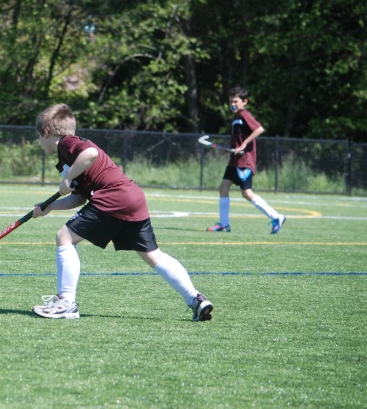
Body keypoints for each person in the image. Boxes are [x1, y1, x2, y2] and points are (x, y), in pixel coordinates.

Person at [30, 103, 213, 321]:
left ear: (47, 133)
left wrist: (67, 179)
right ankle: (196, 299)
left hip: (113, 198)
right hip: (131, 197)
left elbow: (91, 153)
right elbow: (79, 197)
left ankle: (66, 303)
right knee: (153, 256)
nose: (39, 142)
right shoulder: (69, 155)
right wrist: (48, 207)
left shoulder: (67, 144)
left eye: (39, 136)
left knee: (64, 237)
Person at [206, 87, 286, 235]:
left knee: (247, 193)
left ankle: (276, 217)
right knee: (223, 189)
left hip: (244, 161)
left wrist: (243, 145)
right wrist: (230, 148)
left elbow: (259, 129)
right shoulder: (236, 117)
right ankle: (224, 224)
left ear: (244, 102)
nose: (232, 104)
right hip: (234, 160)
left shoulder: (244, 114)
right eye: (231, 101)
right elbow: (238, 140)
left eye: (235, 101)